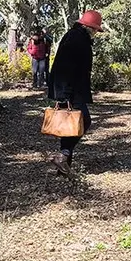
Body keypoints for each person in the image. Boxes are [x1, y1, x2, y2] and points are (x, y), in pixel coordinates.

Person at [46, 10, 104, 176]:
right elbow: (66, 67)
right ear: (88, 27)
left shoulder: (75, 36)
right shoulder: (77, 39)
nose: (95, 33)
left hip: (70, 89)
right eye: (95, 29)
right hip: (70, 90)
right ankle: (63, 155)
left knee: (69, 127)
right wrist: (64, 94)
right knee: (84, 121)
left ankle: (63, 167)